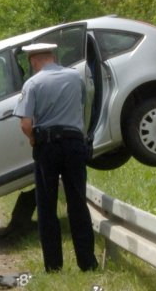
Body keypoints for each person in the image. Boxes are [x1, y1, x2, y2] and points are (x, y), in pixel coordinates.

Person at [13, 43, 98, 273]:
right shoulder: (74, 77)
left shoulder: (32, 83)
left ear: (33, 61)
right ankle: (87, 263)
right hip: (73, 144)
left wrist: (33, 139)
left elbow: (25, 123)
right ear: (53, 57)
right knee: (77, 203)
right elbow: (83, 108)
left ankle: (53, 266)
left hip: (47, 147)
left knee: (47, 207)